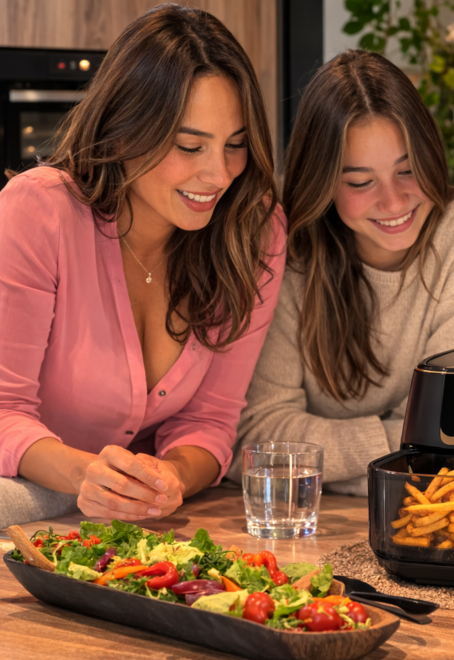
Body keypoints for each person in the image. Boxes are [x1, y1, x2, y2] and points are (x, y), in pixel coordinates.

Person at [0, 4, 286, 528]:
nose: (219, 174)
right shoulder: (40, 210)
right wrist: (86, 474)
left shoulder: (254, 229)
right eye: (189, 146)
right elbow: (3, 411)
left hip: (131, 528)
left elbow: (211, 420)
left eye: (236, 145)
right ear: (125, 130)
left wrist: (171, 476)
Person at [232, 51, 454, 494]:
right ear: (322, 181)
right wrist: (401, 449)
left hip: (406, 515)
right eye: (361, 182)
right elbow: (255, 438)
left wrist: (319, 461)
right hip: (302, 519)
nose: (394, 201)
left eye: (408, 169)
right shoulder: (286, 244)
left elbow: (453, 434)